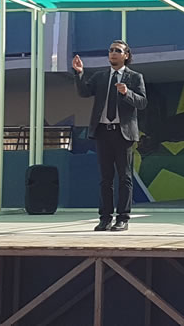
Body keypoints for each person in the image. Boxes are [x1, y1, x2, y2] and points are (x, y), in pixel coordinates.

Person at [73, 40, 147, 232]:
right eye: (111, 50)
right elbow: (84, 92)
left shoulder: (135, 77)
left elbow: (142, 103)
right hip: (103, 132)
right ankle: (105, 218)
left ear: (126, 55)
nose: (113, 53)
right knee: (105, 179)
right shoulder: (100, 76)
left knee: (125, 177)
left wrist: (127, 93)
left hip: (124, 134)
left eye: (118, 50)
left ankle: (123, 218)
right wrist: (79, 73)